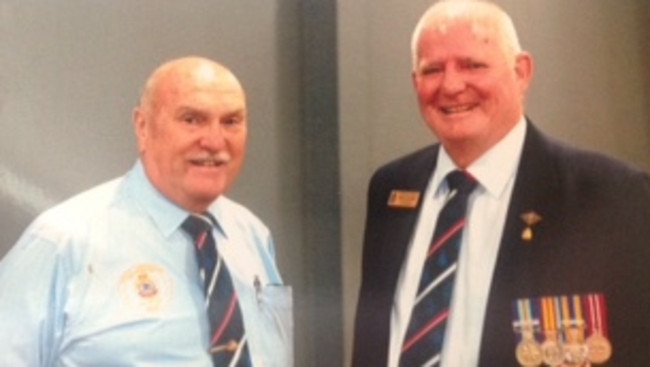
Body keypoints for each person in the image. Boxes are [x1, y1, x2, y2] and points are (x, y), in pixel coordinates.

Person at [351, 1, 650, 366]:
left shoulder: (608, 196)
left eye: (472, 65)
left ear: (521, 72)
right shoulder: (390, 190)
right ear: (415, 82)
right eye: (432, 70)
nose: (451, 85)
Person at [0, 56, 292, 366]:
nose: (215, 140)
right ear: (143, 126)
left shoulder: (252, 235)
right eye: (192, 119)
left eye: (231, 121)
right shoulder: (62, 242)